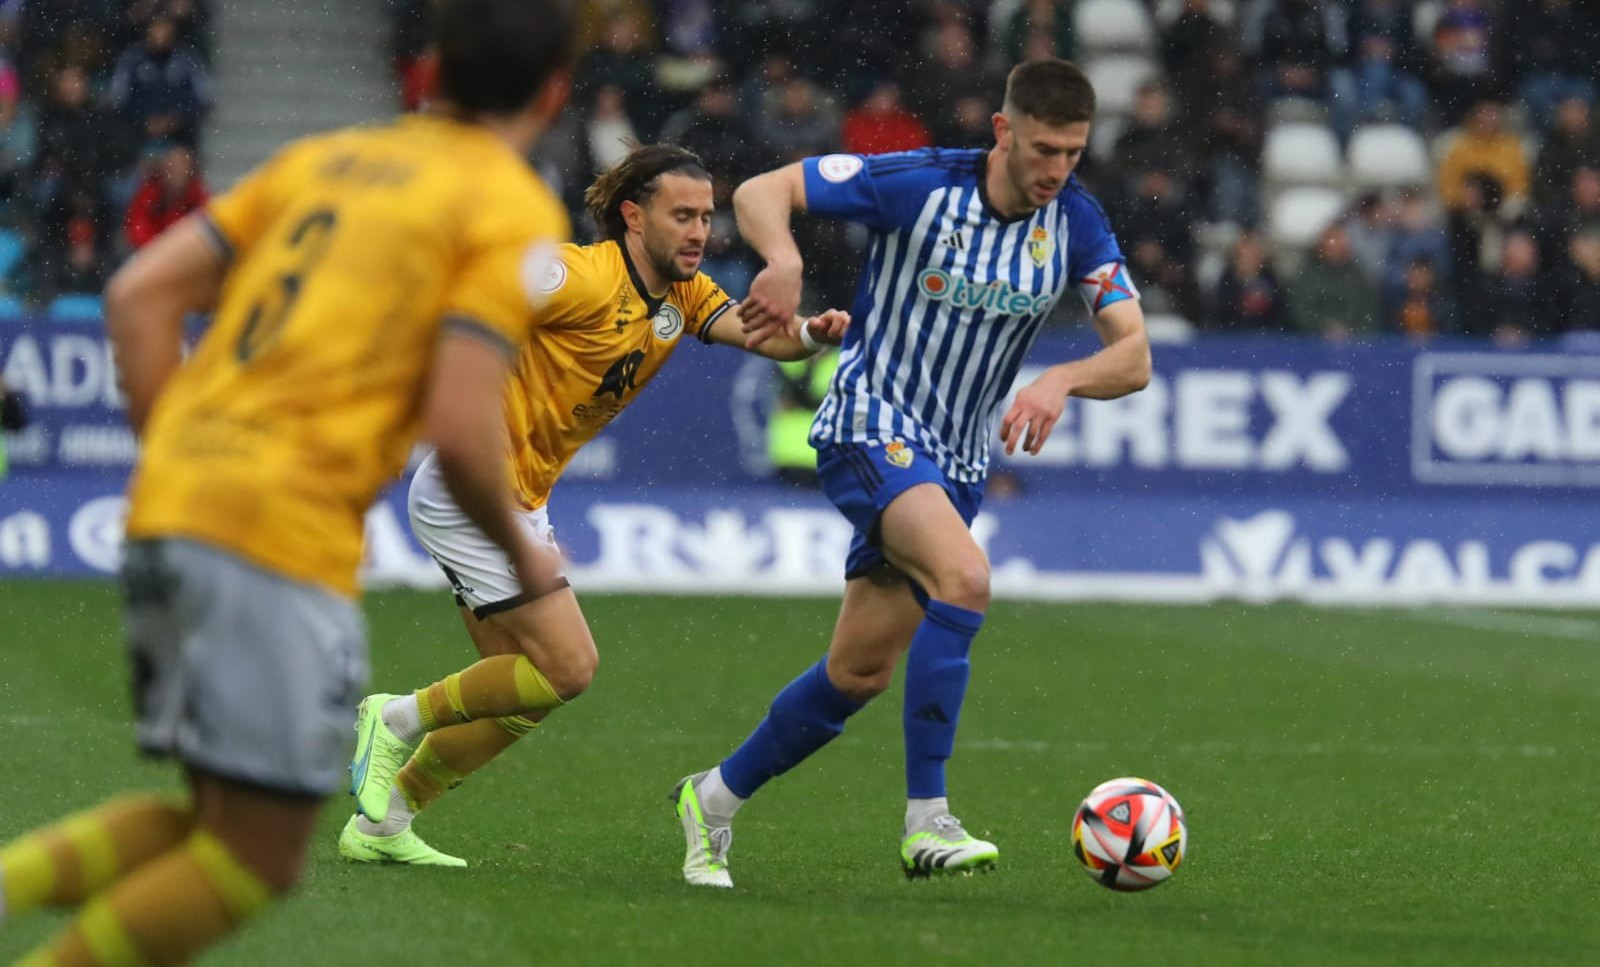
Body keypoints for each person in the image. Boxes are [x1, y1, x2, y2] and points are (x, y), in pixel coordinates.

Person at [0, 2, 575, 964]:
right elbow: (463, 428)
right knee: (256, 857)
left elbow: (138, 295)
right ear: (555, 92)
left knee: (215, 822)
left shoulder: (326, 160)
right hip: (279, 528)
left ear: (431, 70)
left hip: (171, 506)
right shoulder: (508, 207)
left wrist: (181, 455)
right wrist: (525, 559)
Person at [671, 58, 1151, 887]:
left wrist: (1061, 379)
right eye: (1043, 149)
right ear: (1003, 130)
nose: (1056, 169)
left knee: (857, 673)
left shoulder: (1075, 221)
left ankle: (710, 799)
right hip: (871, 424)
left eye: (1072, 152)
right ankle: (928, 819)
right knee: (966, 577)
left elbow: (1135, 354)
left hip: (955, 464)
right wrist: (781, 259)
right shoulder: (918, 184)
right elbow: (759, 190)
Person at [339, 143, 849, 866]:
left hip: (523, 496)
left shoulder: (685, 295)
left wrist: (808, 336)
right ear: (634, 217)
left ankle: (384, 823)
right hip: (473, 487)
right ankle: (391, 718)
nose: (700, 232)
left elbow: (760, 335)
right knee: (570, 666)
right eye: (682, 216)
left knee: (523, 690)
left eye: (706, 216)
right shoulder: (578, 276)